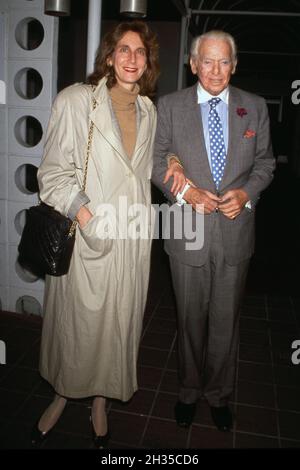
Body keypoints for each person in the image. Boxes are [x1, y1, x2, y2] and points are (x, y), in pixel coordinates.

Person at [31, 20, 161, 448]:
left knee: (116, 326)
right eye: (123, 49)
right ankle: (63, 394)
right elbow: (51, 174)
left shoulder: (148, 110)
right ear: (108, 56)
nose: (131, 58)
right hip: (90, 236)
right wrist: (85, 216)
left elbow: (144, 170)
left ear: (147, 62)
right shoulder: (76, 101)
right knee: (78, 325)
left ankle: (101, 399)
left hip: (132, 240)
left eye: (139, 52)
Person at [152, 30, 275, 432]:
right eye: (208, 61)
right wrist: (186, 193)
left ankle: (218, 395)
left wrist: (245, 193)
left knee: (226, 321)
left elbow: (265, 164)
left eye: (224, 62)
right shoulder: (169, 107)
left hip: (236, 234)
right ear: (193, 64)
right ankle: (188, 391)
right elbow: (154, 162)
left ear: (235, 65)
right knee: (188, 321)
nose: (216, 70)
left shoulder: (254, 108)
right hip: (186, 232)